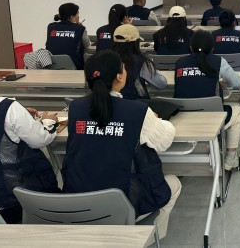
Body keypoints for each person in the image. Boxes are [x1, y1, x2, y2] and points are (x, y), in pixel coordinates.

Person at [62, 50, 181, 241]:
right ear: (119, 76)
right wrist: (158, 120)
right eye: (124, 68)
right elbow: (164, 141)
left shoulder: (75, 108)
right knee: (174, 183)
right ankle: (141, 240)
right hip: (122, 205)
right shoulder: (138, 111)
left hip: (77, 204)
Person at [174, 31, 240, 170]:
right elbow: (237, 82)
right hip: (212, 117)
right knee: (239, 112)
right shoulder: (218, 61)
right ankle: (230, 158)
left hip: (182, 115)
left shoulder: (180, 63)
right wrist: (220, 81)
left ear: (190, 47)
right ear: (212, 48)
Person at [0, 98, 61, 223]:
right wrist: (49, 121)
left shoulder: (9, 109)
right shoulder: (9, 108)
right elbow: (39, 139)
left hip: (1, 197)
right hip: (19, 197)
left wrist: (23, 115)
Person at [111, 25, 167, 100]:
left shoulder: (104, 59)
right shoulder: (141, 62)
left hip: (109, 104)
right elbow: (161, 84)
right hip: (136, 103)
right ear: (135, 43)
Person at [46, 2, 89, 69]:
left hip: (51, 65)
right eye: (77, 14)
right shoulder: (80, 28)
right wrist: (79, 25)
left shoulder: (51, 26)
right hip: (74, 67)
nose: (78, 16)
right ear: (71, 17)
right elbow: (87, 44)